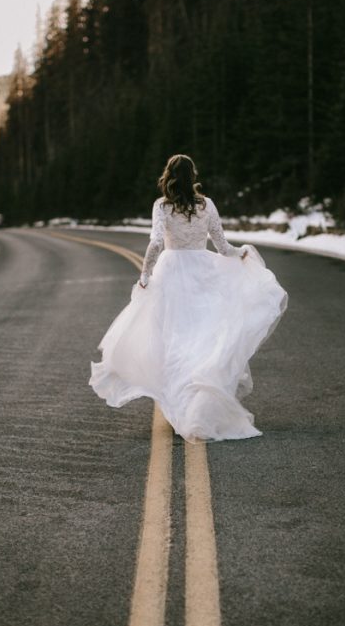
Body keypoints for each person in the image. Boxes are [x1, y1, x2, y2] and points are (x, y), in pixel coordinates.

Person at [89, 154, 287, 442]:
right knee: (201, 338)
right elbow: (222, 246)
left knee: (171, 340)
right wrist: (240, 253)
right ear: (192, 176)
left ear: (168, 176)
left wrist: (144, 275)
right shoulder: (206, 205)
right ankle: (196, 406)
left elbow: (156, 242)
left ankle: (181, 404)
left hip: (171, 272)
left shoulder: (162, 206)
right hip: (203, 271)